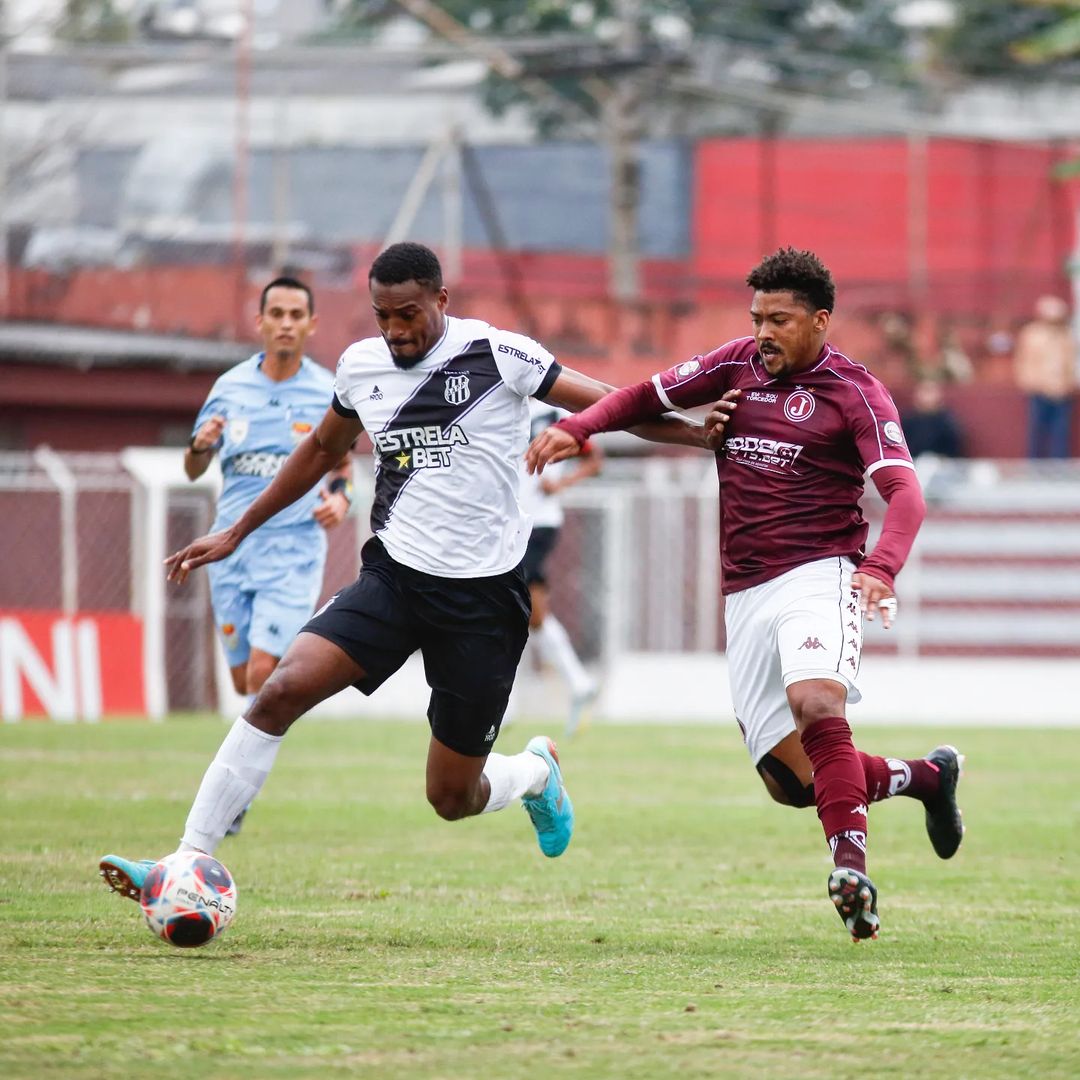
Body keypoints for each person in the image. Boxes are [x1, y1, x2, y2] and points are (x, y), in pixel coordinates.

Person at [98, 242, 704, 903]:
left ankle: (533, 775)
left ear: (441, 301)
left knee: (451, 796)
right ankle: (184, 860)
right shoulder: (361, 368)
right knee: (277, 692)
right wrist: (238, 530)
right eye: (383, 315)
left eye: (409, 314)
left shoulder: (498, 355)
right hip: (394, 581)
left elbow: (615, 406)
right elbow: (320, 449)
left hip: (482, 602)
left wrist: (707, 436)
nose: (396, 331)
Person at [526, 247, 965, 942]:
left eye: (781, 320)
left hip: (822, 573)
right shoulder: (736, 365)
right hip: (746, 591)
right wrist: (576, 427)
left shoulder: (856, 391)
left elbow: (904, 491)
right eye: (757, 317)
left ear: (820, 321)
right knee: (790, 783)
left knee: (816, 700)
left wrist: (880, 567)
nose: (764, 332)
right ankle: (928, 780)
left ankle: (849, 870)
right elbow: (644, 396)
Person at [183, 276, 353, 837]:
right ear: (260, 322)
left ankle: (233, 799)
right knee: (242, 680)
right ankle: (241, 774)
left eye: (294, 314)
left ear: (311, 324)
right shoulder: (228, 388)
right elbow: (193, 468)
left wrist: (339, 498)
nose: (284, 322)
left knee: (262, 669)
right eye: (275, 313)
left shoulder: (329, 390)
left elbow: (344, 466)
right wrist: (199, 447)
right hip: (231, 548)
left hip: (294, 548)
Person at [520, 397, 603, 736]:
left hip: (540, 522)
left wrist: (560, 484)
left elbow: (594, 459)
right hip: (508, 525)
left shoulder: (554, 414)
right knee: (534, 615)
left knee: (503, 601)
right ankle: (580, 682)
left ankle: (502, 703)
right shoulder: (494, 403)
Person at [1013, 295, 1077, 459]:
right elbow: (1024, 361)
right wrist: (1032, 383)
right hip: (1039, 389)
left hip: (1062, 390)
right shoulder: (1032, 334)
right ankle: (1034, 464)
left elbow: (1071, 363)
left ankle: (1059, 465)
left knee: (1061, 431)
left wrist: (1070, 383)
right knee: (1037, 430)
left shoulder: (1066, 336)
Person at [902, 378, 964, 460]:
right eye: (923, 392)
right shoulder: (909, 420)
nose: (926, 397)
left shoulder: (946, 421)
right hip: (914, 461)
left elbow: (954, 445)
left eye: (930, 392)